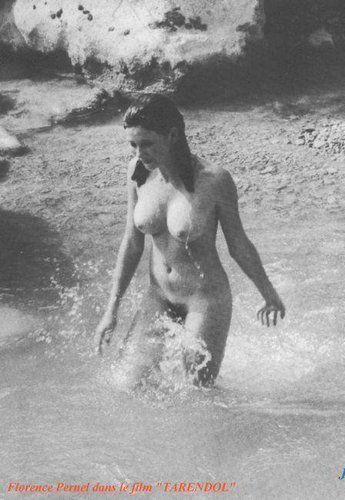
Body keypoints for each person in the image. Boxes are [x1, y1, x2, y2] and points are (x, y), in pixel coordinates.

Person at [95, 94, 285, 386]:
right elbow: (132, 243)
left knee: (198, 393)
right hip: (159, 295)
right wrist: (112, 310)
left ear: (172, 135)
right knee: (128, 384)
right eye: (133, 144)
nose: (139, 153)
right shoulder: (137, 174)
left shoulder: (214, 180)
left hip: (204, 298)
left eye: (147, 143)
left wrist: (269, 294)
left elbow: (238, 244)